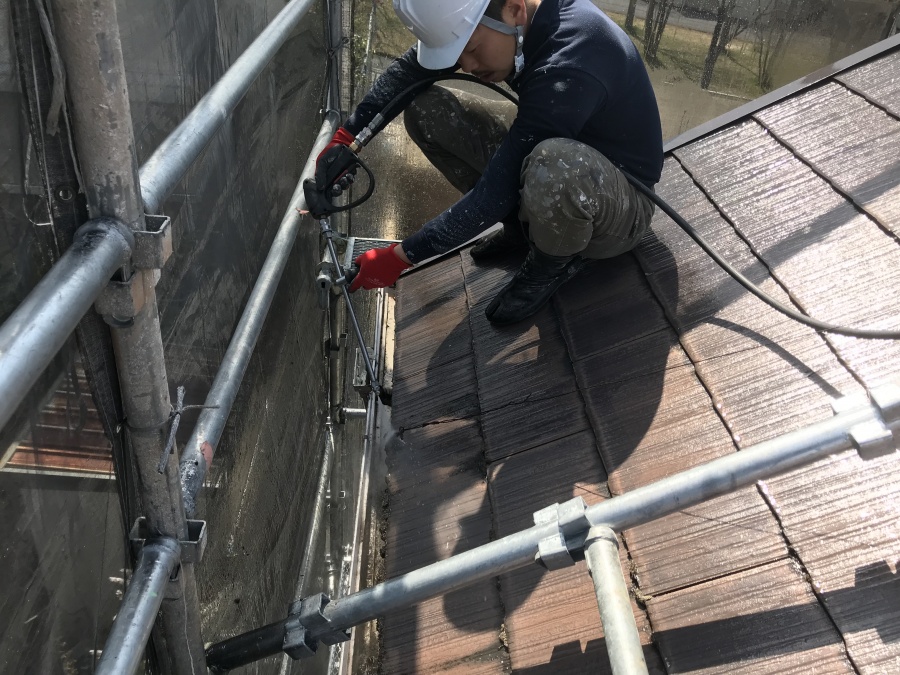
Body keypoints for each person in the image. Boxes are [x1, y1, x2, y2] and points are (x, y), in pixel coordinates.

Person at [318, 0, 663, 325]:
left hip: (619, 202)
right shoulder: (503, 20)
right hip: (566, 152)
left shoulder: (572, 61)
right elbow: (412, 71)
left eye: (471, 49)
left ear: (513, 9)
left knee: (555, 165)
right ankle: (522, 228)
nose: (466, 65)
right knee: (428, 111)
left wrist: (401, 257)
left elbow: (494, 192)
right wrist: (346, 139)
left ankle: (552, 263)